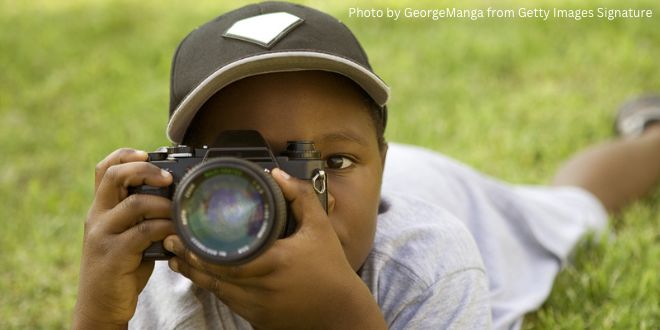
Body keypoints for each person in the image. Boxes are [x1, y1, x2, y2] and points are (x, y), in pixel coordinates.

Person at [73, 2, 660, 329]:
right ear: (184, 182)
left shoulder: (426, 263)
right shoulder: (173, 283)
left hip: (441, 193)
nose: (302, 193)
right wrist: (98, 313)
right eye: (248, 169)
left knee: (571, 209)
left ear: (382, 161)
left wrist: (341, 320)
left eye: (335, 160)